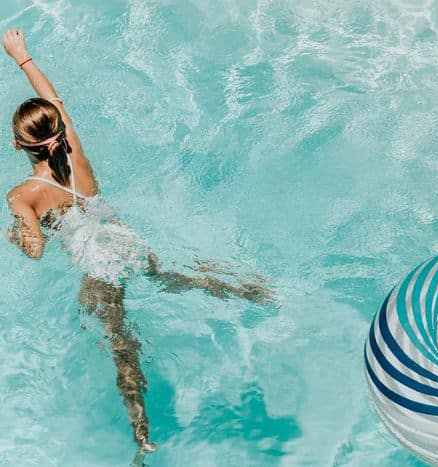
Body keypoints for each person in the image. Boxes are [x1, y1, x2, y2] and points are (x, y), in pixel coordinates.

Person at [2, 28, 272, 454]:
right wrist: (21, 56)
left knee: (121, 346)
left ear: (18, 144)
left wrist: (16, 235)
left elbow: (35, 252)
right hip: (125, 241)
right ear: (57, 131)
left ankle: (142, 433)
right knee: (171, 276)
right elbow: (55, 101)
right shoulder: (72, 149)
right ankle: (250, 291)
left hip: (98, 265)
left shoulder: (21, 196)